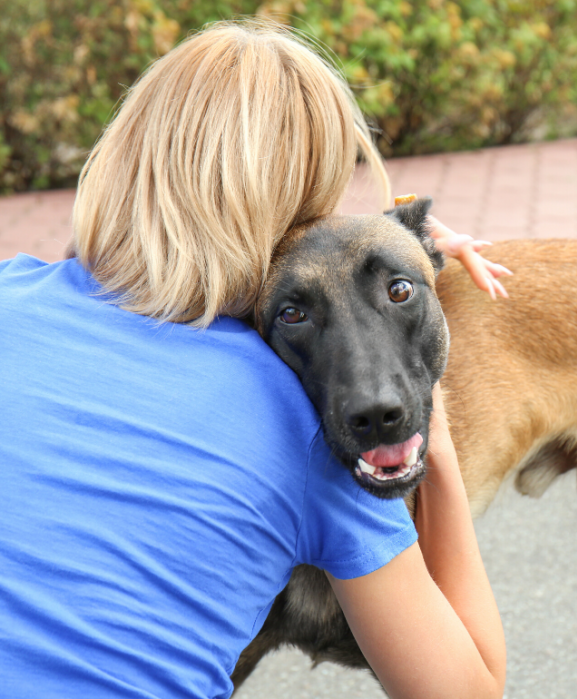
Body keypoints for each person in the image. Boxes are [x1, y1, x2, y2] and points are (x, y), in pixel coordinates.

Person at [0, 20, 507, 699]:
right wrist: (436, 448)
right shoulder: (288, 415)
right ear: (291, 214)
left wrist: (396, 235)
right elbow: (468, 692)